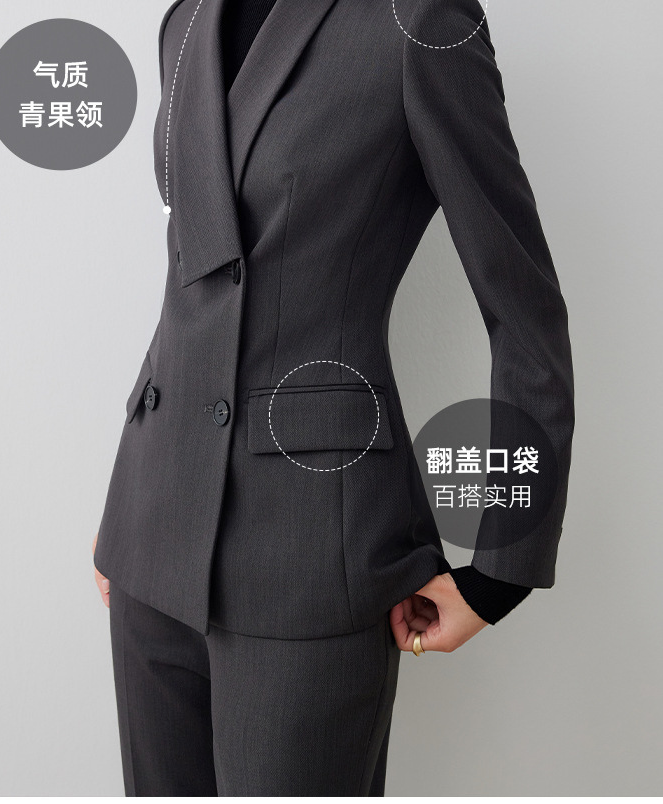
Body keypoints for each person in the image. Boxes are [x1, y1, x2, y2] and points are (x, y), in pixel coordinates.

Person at [92, 0, 575, 795]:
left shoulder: (420, 20)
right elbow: (194, 273)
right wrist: (132, 500)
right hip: (151, 536)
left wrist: (502, 569)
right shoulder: (186, 22)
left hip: (310, 548)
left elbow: (524, 313)